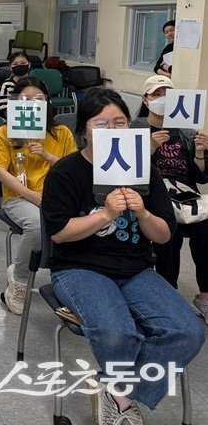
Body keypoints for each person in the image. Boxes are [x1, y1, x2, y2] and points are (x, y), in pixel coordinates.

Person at [41, 88, 204, 425]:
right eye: (102, 124)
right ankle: (122, 401)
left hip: (136, 269)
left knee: (189, 331)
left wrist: (142, 213)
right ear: (84, 129)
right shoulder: (67, 171)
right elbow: (59, 233)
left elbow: (163, 235)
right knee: (118, 334)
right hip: (79, 268)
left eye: (120, 122)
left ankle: (117, 391)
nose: (113, 131)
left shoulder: (144, 171)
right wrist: (104, 215)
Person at [0, 77, 77, 314]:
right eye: (26, 99)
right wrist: (31, 195)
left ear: (47, 103)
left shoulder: (61, 133)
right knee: (37, 224)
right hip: (19, 197)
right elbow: (0, 170)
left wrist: (48, 157)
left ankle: (69, 281)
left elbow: (74, 168)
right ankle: (19, 280)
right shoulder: (4, 133)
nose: (32, 103)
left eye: (38, 99)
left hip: (58, 197)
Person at [138, 75, 208, 322]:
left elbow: (199, 177)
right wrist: (150, 148)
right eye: (156, 95)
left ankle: (205, 297)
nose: (162, 100)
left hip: (185, 196)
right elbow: (130, 174)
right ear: (146, 100)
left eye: (168, 95)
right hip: (154, 196)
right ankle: (168, 294)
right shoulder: (137, 129)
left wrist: (200, 153)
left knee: (206, 230)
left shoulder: (185, 132)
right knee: (170, 231)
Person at [0, 51, 31, 118]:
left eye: (23, 63)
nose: (19, 66)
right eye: (15, 64)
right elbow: (3, 110)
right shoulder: (6, 85)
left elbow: (46, 107)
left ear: (29, 65)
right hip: (12, 121)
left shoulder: (38, 84)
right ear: (10, 67)